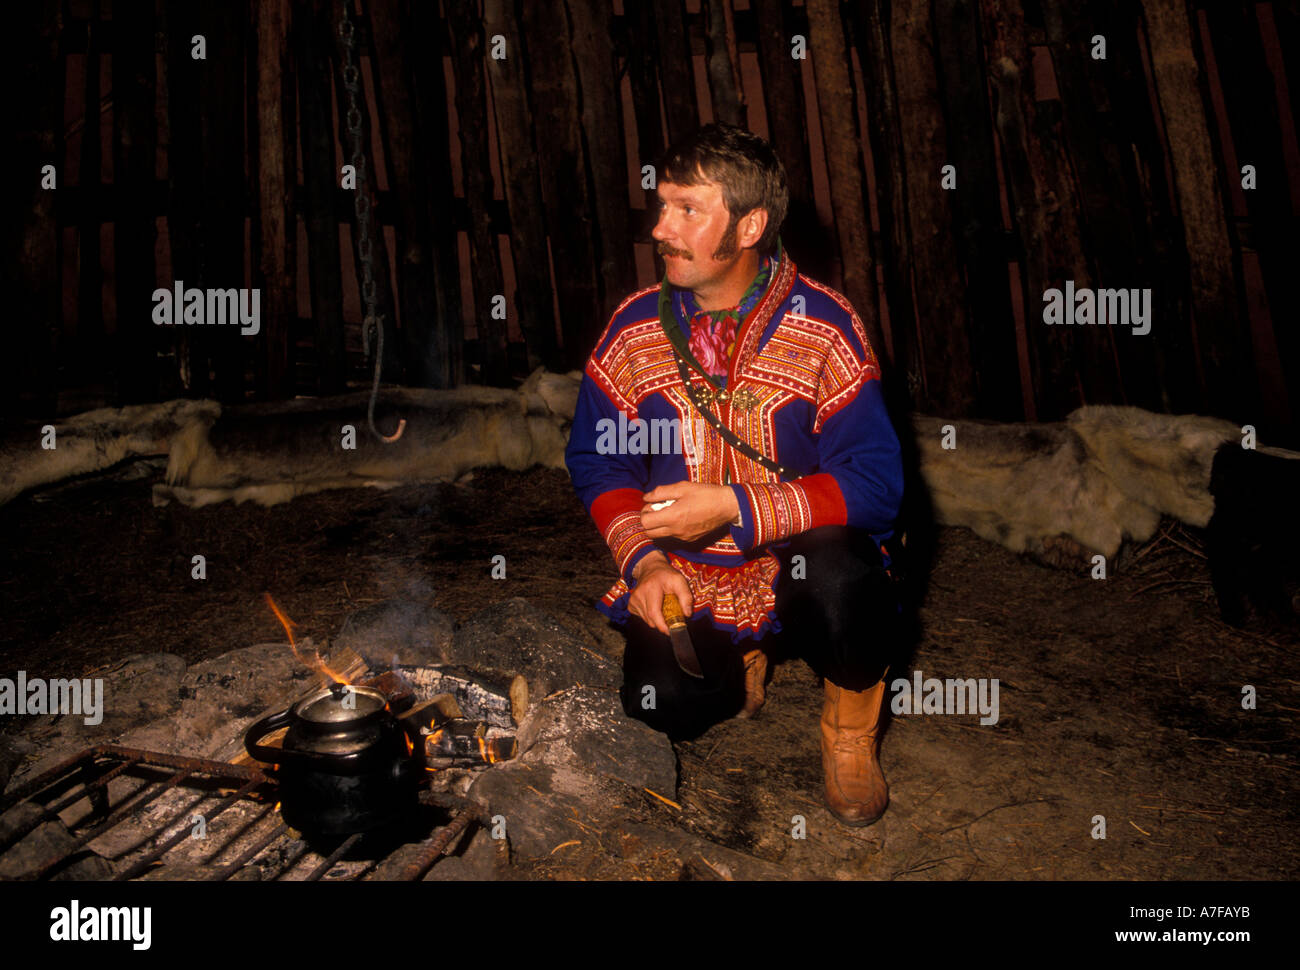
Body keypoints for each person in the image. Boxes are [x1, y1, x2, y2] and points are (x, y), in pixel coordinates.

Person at [564, 123, 905, 826]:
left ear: (750, 225)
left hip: (801, 562)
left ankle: (848, 730)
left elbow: (879, 485)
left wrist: (733, 506)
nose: (661, 227)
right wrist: (645, 560)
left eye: (689, 210)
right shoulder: (633, 328)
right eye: (663, 206)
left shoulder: (826, 327)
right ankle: (747, 658)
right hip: (690, 573)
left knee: (842, 573)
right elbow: (599, 459)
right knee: (665, 707)